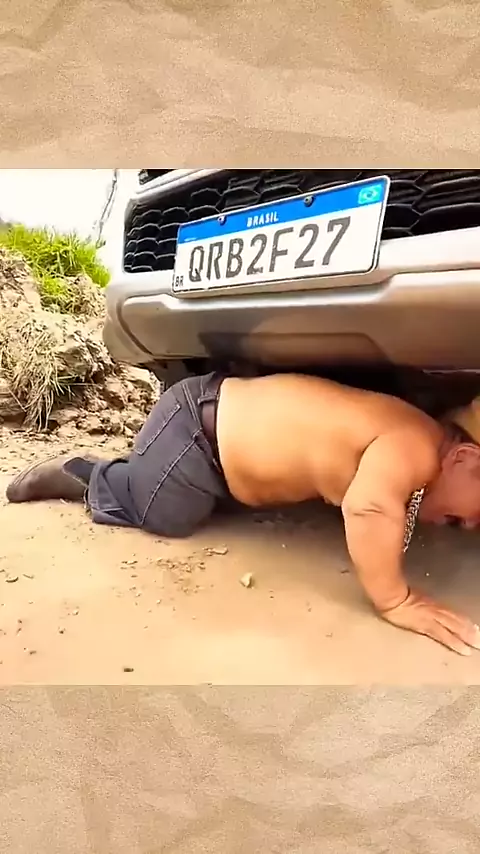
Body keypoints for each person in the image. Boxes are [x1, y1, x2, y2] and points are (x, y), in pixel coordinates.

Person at [6, 371, 480, 656]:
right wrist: (396, 600)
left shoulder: (415, 445)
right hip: (196, 429)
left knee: (202, 503)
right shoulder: (417, 447)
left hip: (210, 434)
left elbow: (385, 503)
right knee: (166, 514)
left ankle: (147, 468)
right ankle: (90, 474)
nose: (473, 525)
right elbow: (371, 506)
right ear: (463, 458)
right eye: (474, 514)